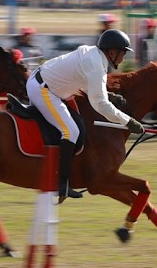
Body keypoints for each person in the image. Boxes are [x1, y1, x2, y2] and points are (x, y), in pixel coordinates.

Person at [25, 28, 145, 203]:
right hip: (42, 90)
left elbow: (88, 85)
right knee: (71, 132)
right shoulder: (96, 63)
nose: (124, 57)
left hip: (46, 85)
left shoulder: (96, 57)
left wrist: (109, 95)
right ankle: (62, 184)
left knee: (76, 128)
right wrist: (129, 122)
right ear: (112, 52)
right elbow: (100, 105)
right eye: (123, 53)